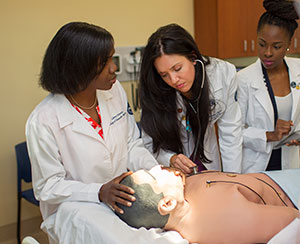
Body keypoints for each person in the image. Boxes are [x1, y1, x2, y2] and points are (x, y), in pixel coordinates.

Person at [25, 22, 158, 243]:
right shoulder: (43, 121)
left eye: (112, 58)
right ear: (79, 67)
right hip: (75, 209)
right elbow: (47, 187)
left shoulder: (113, 92)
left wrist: (155, 173)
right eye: (104, 62)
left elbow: (131, 145)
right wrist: (99, 192)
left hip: (119, 202)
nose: (114, 68)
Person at [139, 23, 243, 175]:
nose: (173, 80)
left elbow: (231, 134)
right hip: (171, 173)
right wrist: (170, 158)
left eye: (177, 69)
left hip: (206, 160)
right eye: (164, 74)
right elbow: (148, 144)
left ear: (193, 57)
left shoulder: (223, 74)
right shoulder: (155, 90)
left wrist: (232, 179)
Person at [116, 165, 300, 244]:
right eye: (153, 175)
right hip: (291, 193)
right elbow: (294, 221)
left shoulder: (180, 191)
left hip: (276, 177)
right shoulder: (228, 221)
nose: (158, 167)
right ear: (167, 203)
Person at [236, 0, 300, 173]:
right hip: (256, 165)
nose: (268, 52)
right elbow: (235, 132)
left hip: (292, 161)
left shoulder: (298, 69)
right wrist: (270, 134)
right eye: (262, 44)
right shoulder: (243, 79)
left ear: (289, 45)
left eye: (276, 46)